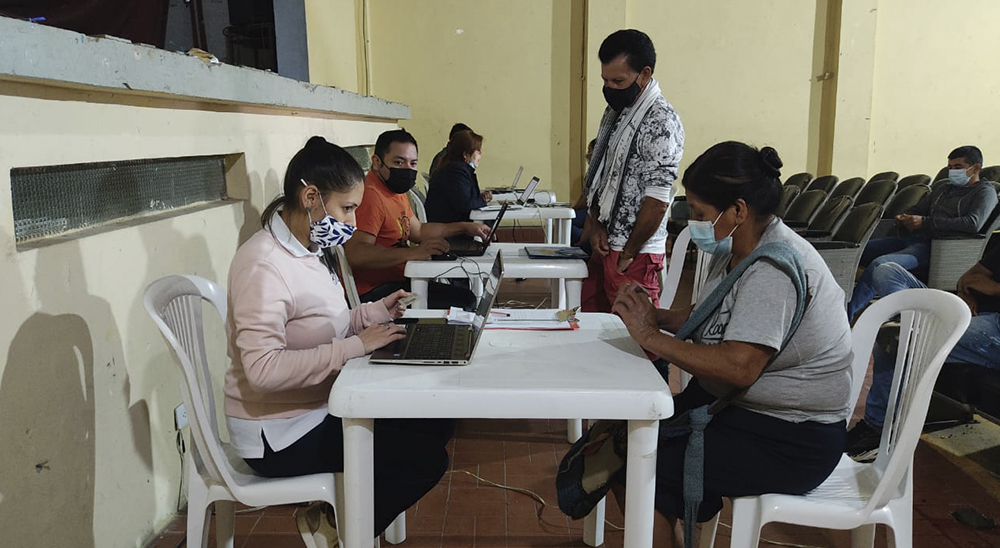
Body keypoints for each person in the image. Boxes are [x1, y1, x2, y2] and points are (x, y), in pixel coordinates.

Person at [608, 142, 852, 547]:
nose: (694, 223)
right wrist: (657, 317)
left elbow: (739, 367)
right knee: (624, 440)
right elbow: (717, 313)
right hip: (743, 413)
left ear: (738, 210)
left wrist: (649, 336)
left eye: (700, 214)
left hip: (790, 439)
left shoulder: (773, 267)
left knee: (637, 462)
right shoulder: (743, 244)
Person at [223, 136, 452, 546]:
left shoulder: (311, 248)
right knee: (425, 459)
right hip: (277, 435)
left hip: (314, 407)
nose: (352, 220)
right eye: (347, 208)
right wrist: (354, 347)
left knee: (435, 420)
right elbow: (262, 371)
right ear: (311, 197)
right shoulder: (263, 265)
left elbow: (327, 323)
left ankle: (339, 517)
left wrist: (377, 311)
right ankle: (338, 529)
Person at [845, 247, 1000, 462]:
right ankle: (909, 324)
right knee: (887, 270)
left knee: (896, 340)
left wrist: (995, 289)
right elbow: (968, 278)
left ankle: (877, 433)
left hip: (995, 327)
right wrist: (965, 294)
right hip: (968, 311)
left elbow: (983, 281)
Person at [581, 29, 684, 313]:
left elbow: (657, 201)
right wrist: (597, 226)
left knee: (634, 331)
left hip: (634, 253)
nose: (610, 88)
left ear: (644, 74)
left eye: (618, 81)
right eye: (605, 80)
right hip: (606, 244)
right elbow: (603, 175)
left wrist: (628, 253)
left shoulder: (661, 122)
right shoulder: (618, 110)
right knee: (592, 323)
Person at [344, 129, 491, 310]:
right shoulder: (371, 195)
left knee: (463, 297)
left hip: (400, 280)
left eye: (413, 163)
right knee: (464, 301)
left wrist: (463, 227)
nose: (407, 169)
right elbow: (356, 253)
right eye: (399, 162)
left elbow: (419, 230)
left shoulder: (393, 190)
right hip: (375, 293)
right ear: (377, 162)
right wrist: (412, 253)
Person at [847, 145, 998, 320]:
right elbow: (918, 209)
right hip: (913, 239)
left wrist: (925, 222)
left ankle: (849, 316)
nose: (953, 172)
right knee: (856, 252)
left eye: (958, 167)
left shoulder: (984, 192)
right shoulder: (943, 189)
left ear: (976, 168)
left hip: (936, 246)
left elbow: (973, 224)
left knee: (880, 264)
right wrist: (905, 217)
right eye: (950, 167)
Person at [425, 129, 493, 223]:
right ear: (466, 154)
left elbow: (461, 198)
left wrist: (479, 198)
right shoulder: (456, 172)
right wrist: (482, 200)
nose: (481, 153)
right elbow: (465, 204)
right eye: (478, 150)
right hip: (448, 225)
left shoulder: (453, 168)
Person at [570, 138, 597, 250]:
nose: (587, 154)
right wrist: (572, 209)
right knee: (566, 218)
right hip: (588, 210)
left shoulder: (597, 173)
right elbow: (583, 195)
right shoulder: (590, 172)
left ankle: (581, 243)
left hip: (593, 211)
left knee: (567, 221)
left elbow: (586, 199)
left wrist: (572, 210)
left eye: (590, 150)